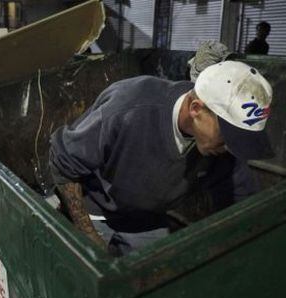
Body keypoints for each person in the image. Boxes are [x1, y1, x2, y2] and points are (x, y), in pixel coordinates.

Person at [49, 61, 273, 255]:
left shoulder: (221, 150)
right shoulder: (128, 107)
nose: (229, 147)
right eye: (226, 135)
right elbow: (63, 159)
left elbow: (242, 201)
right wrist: (87, 234)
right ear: (196, 109)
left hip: (148, 219)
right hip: (96, 212)